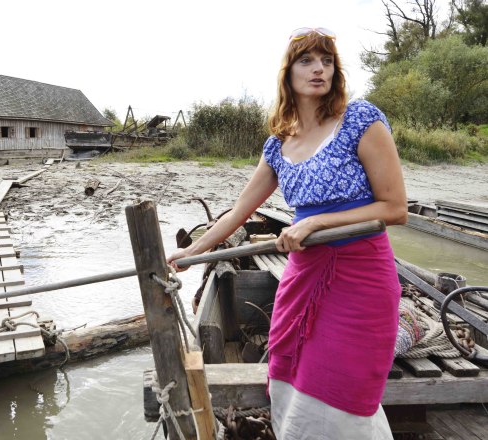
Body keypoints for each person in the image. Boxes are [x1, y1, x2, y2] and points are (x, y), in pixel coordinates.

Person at [167, 27, 407, 439]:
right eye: (307, 61)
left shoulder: (361, 120)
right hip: (304, 276)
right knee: (289, 369)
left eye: (327, 61)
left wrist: (316, 221)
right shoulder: (278, 145)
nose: (319, 70)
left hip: (361, 277)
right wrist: (188, 254)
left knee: (343, 384)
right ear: (288, 72)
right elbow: (239, 213)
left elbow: (395, 208)